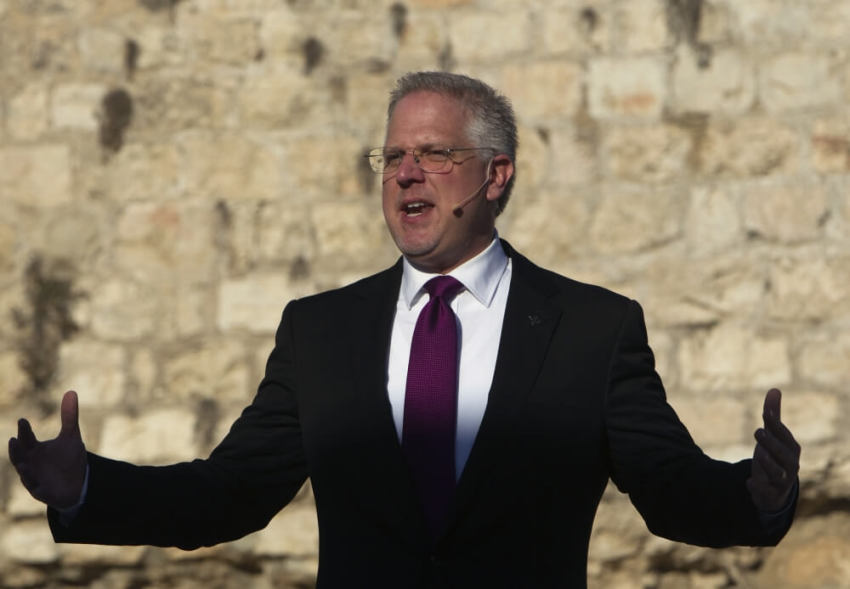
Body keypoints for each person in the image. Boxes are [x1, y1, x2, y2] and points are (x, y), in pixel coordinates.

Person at [9, 72, 800, 588]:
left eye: (431, 153)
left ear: (497, 175)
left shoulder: (593, 329)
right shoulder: (320, 331)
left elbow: (666, 488)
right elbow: (230, 493)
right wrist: (86, 486)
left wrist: (755, 494)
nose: (405, 173)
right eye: (390, 158)